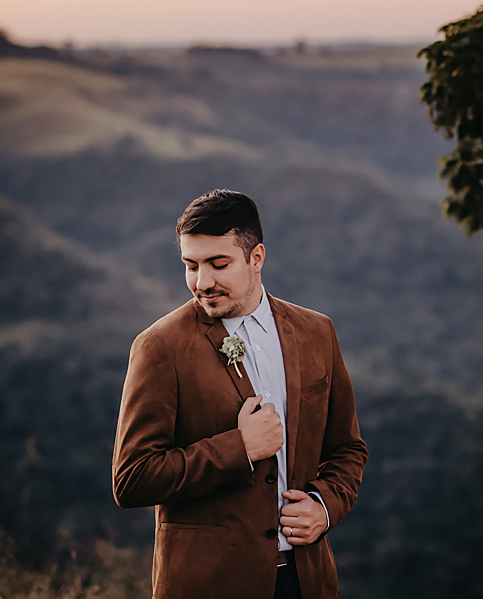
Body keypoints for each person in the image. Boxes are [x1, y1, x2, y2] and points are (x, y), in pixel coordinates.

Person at [113, 189, 367, 599]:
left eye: (218, 264)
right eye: (191, 265)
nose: (202, 282)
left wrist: (325, 506)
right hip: (207, 586)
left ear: (256, 258)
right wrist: (240, 448)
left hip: (307, 581)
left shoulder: (317, 332)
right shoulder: (160, 347)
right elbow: (132, 478)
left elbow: (348, 448)